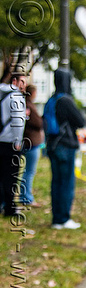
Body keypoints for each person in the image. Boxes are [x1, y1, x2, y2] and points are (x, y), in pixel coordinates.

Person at [44, 68, 85, 229]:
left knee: (56, 183)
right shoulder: (66, 100)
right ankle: (64, 219)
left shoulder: (51, 100)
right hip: (65, 146)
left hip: (52, 146)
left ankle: (56, 219)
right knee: (67, 182)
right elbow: (81, 121)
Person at [0, 70, 27, 216]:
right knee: (11, 176)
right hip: (10, 141)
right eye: (22, 82)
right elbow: (18, 120)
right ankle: (10, 208)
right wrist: (18, 140)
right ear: (15, 82)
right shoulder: (15, 95)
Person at [20, 84, 44, 206]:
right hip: (31, 142)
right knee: (29, 171)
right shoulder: (29, 105)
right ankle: (26, 197)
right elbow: (38, 123)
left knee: (26, 171)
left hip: (29, 141)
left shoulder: (25, 104)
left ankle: (24, 195)